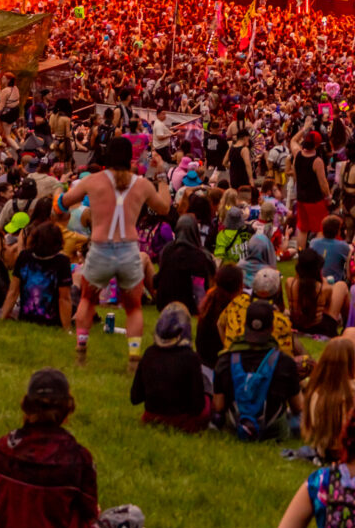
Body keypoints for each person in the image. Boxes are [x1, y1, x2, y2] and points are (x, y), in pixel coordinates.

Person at [0, 367, 143, 528]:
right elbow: (89, 512)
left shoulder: (4, 446)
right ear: (68, 409)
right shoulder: (78, 457)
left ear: (26, 406)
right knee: (133, 514)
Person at [59, 136, 171, 368]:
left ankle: (81, 348)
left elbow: (64, 202)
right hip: (128, 249)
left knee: (88, 299)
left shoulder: (92, 181)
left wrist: (61, 187)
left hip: (100, 248)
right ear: (130, 158)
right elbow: (164, 208)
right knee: (133, 307)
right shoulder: (141, 184)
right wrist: (161, 175)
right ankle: (133, 356)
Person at [212, 298, 303, 441]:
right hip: (272, 431)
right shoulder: (285, 362)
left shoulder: (225, 360)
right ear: (272, 328)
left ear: (245, 325)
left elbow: (218, 406)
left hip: (235, 427)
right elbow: (298, 407)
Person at [130, 304, 210, 433]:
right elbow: (198, 407)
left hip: (151, 417)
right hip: (181, 421)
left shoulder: (149, 353)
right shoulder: (191, 358)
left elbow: (135, 397)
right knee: (209, 400)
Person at [1, 219, 72, 329]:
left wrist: (2, 317)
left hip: (26, 317)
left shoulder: (24, 257)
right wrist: (67, 328)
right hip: (52, 321)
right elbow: (64, 298)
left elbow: (13, 292)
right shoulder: (62, 262)